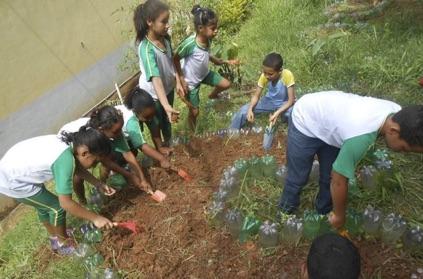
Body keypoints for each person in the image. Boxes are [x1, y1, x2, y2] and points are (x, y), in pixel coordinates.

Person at [277, 91, 423, 229]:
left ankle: (324, 211)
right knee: (298, 176)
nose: (403, 153)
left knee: (328, 175)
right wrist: (340, 216)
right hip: (306, 119)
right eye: (404, 148)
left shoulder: (398, 113)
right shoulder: (360, 136)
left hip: (332, 123)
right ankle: (286, 210)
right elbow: (339, 180)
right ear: (393, 131)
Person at [0, 128, 116, 255]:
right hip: (13, 182)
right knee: (56, 207)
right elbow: (65, 203)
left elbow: (76, 166)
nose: (95, 165)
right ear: (84, 152)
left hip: (14, 169)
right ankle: (63, 243)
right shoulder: (65, 160)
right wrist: (96, 218)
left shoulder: (71, 145)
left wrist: (97, 183)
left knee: (44, 207)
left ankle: (54, 238)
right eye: (95, 161)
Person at [58, 106, 152, 204]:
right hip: (69, 141)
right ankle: (83, 201)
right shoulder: (92, 136)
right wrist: (129, 175)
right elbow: (104, 161)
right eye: (116, 131)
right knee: (77, 175)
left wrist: (142, 179)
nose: (120, 133)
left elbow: (127, 154)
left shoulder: (113, 130)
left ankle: (101, 186)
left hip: (93, 144)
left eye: (120, 129)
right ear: (101, 130)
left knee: (107, 157)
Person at [174, 5, 236, 130]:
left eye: (216, 28)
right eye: (213, 28)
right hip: (191, 83)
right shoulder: (190, 44)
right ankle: (192, 133)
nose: (216, 31)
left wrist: (216, 60)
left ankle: (212, 95)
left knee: (225, 84)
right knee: (195, 112)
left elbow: (205, 53)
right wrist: (180, 80)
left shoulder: (208, 39)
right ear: (201, 28)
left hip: (204, 74)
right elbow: (175, 58)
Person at [134, 0, 180, 146]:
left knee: (168, 121)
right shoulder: (146, 48)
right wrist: (165, 105)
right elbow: (155, 78)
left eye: (168, 20)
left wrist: (178, 81)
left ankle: (169, 146)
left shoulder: (165, 38)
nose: (168, 25)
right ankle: (161, 153)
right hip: (152, 96)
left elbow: (171, 61)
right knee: (155, 126)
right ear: (149, 22)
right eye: (163, 22)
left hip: (167, 89)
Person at [230, 52, 295, 129]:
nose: (267, 76)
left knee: (292, 114)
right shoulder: (264, 76)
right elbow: (256, 96)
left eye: (270, 74)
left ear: (280, 71)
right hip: (269, 101)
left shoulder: (287, 75)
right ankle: (232, 132)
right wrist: (250, 109)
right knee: (243, 111)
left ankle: (285, 123)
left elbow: (291, 101)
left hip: (285, 103)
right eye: (265, 73)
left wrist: (277, 113)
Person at [122, 87, 173, 168]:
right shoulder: (131, 121)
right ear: (135, 112)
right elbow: (141, 145)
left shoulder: (144, 111)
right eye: (147, 117)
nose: (150, 119)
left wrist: (160, 147)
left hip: (127, 133)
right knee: (128, 156)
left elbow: (154, 128)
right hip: (113, 140)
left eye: (152, 115)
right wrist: (162, 159)